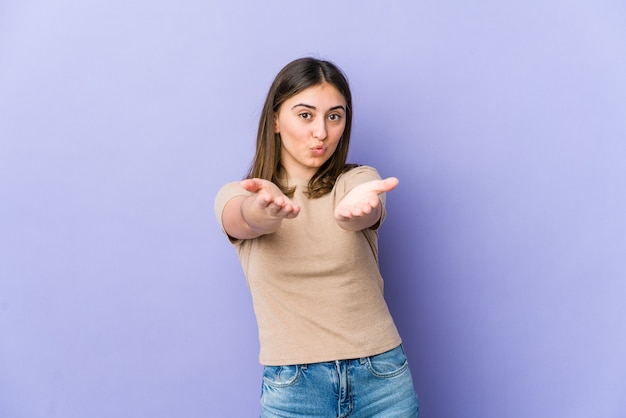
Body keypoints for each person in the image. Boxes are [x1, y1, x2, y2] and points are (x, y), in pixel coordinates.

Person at [214, 57, 419, 417]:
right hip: (295, 389)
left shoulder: (356, 181)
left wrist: (360, 210)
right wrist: (262, 211)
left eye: (334, 116)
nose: (321, 132)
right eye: (305, 115)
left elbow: (367, 209)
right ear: (276, 119)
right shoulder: (242, 193)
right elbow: (241, 219)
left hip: (382, 378)